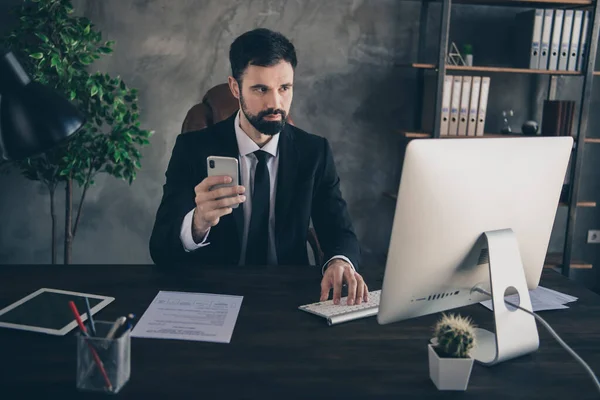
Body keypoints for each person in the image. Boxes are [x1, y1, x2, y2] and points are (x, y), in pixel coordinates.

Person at [149, 28, 368, 306]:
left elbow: (339, 230)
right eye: (261, 89)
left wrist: (338, 261)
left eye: (284, 88)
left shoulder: (315, 152)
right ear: (234, 87)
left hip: (289, 297)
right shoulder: (192, 149)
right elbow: (160, 248)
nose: (275, 103)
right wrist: (197, 222)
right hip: (212, 295)